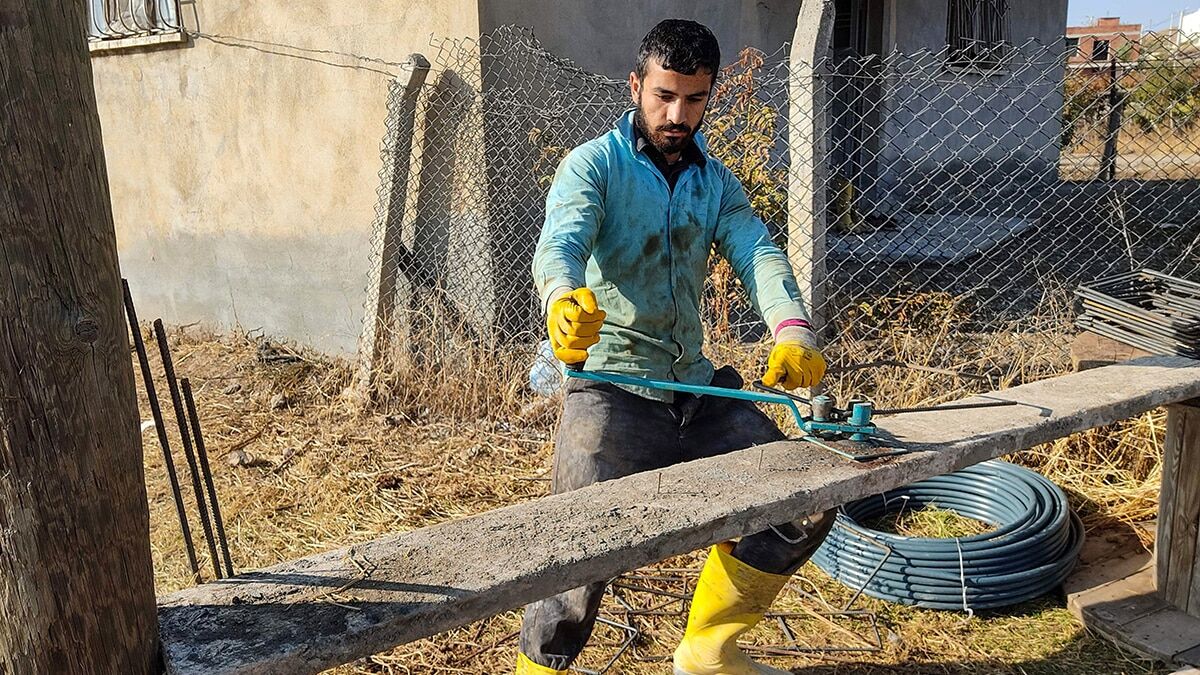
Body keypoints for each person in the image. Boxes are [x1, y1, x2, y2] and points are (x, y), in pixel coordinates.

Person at [518, 19, 834, 675]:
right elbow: (560, 245)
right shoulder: (594, 165)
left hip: (699, 392)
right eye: (663, 95)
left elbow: (756, 251)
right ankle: (541, 669)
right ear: (636, 85)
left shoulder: (713, 183)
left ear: (710, 96)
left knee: (804, 498)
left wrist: (791, 326)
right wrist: (561, 300)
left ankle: (708, 649)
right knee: (576, 546)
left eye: (694, 99)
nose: (676, 114)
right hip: (610, 390)